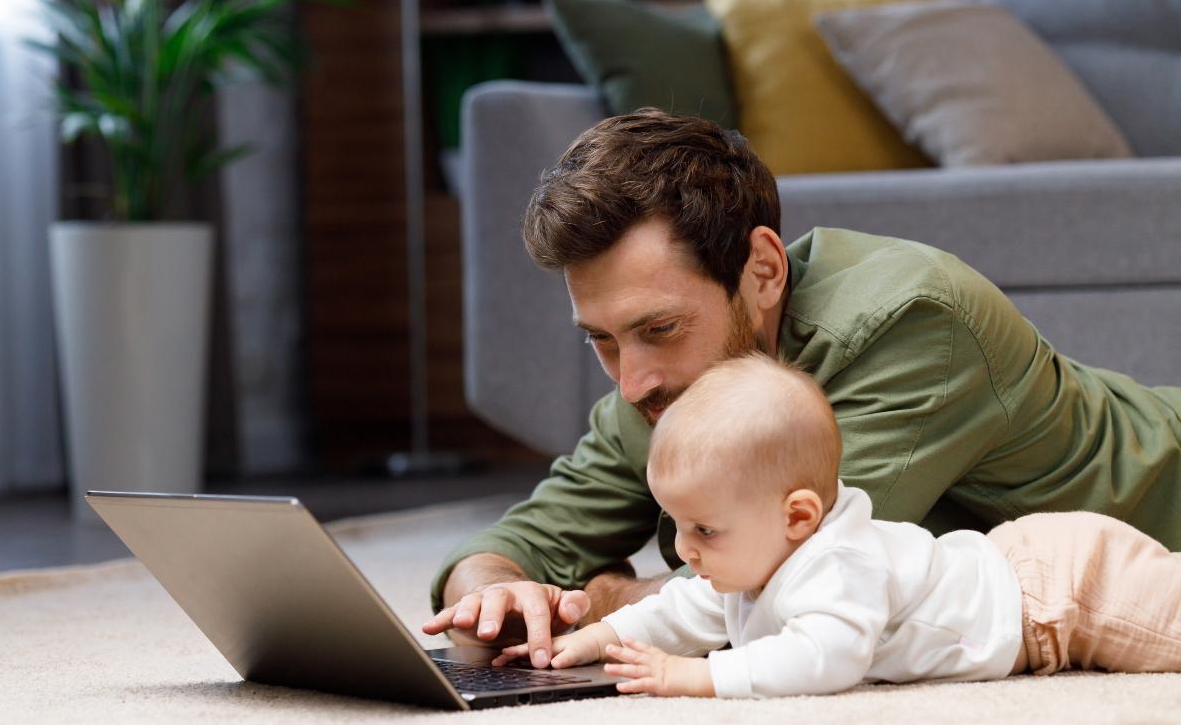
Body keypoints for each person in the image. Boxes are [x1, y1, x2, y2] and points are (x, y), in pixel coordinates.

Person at [422, 109, 1181, 670]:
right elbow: (520, 542)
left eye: (658, 328)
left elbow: (771, 598)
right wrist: (495, 591)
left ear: (763, 270)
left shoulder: (914, 323)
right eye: (602, 339)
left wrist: (603, 594)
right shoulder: (660, 391)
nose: (632, 379)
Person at [491, 354, 1181, 698]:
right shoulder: (750, 557)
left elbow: (829, 659)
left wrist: (696, 679)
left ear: (798, 516)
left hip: (1061, 595)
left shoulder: (835, 564)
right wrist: (595, 640)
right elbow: (682, 609)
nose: (682, 549)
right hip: (1021, 568)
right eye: (673, 524)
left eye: (704, 530)